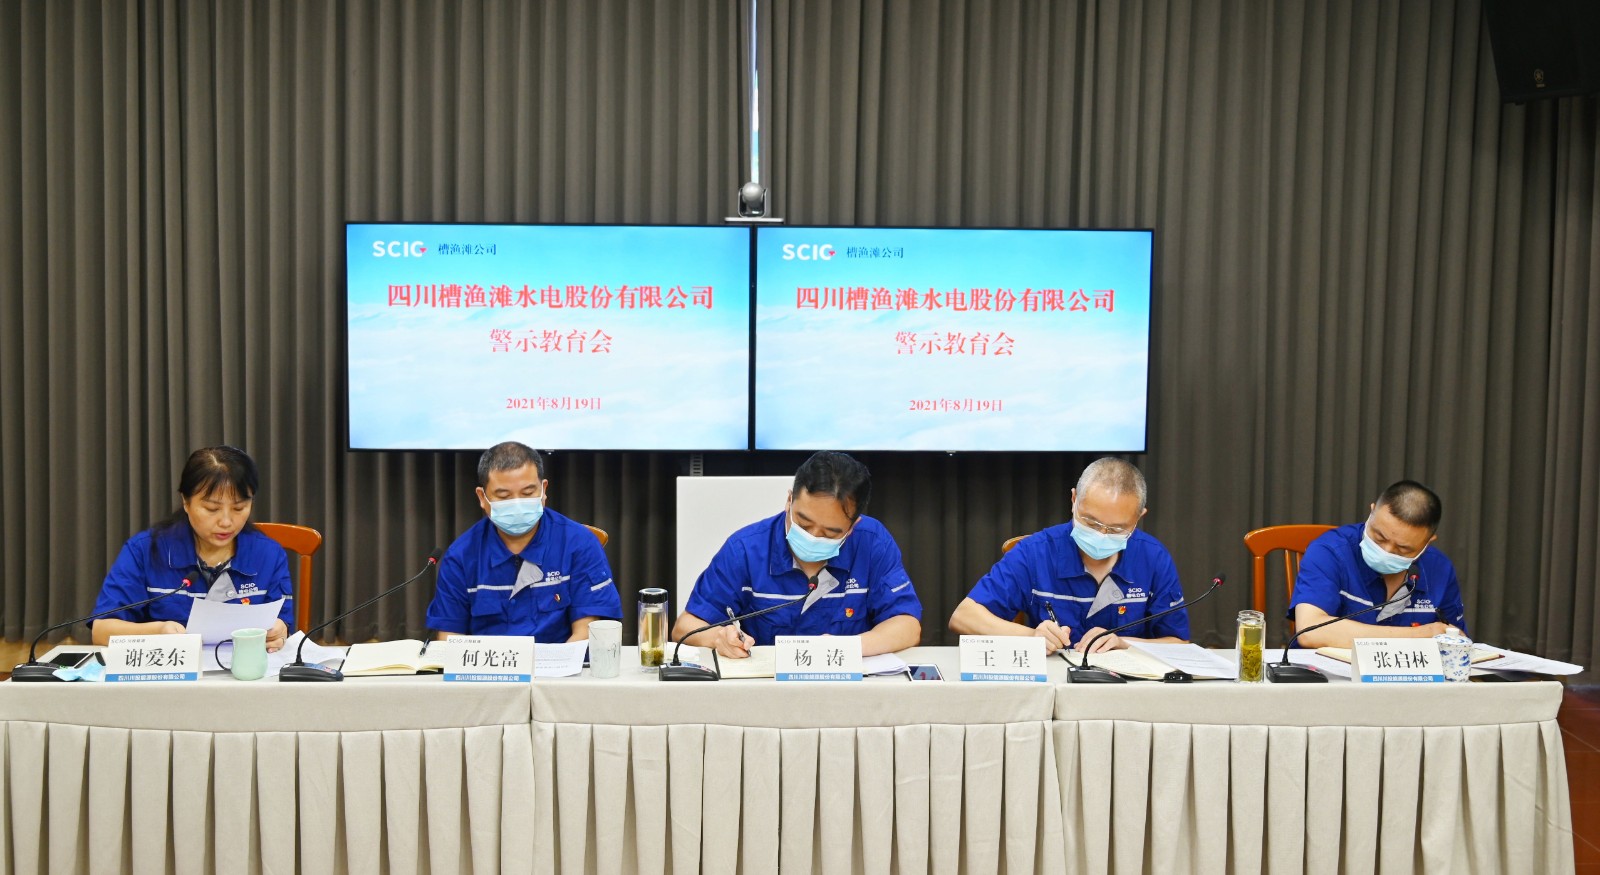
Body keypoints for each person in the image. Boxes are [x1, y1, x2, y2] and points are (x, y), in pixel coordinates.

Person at [672, 451, 922, 658]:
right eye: (803, 523)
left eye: (830, 532)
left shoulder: (872, 542)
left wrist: (847, 648)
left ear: (852, 526)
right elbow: (684, 627)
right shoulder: (746, 549)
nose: (813, 537)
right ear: (789, 500)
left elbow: (907, 625)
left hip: (849, 690)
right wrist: (719, 638)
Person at [949, 457, 1188, 654]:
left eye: (1116, 529)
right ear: (1074, 500)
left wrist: (1124, 643)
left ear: (1139, 517)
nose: (1102, 535)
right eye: (1091, 522)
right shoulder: (1036, 552)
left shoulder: (1153, 558)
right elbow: (963, 617)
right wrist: (1032, 636)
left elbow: (1179, 643)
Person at [92, 446, 295, 651]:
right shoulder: (144, 551)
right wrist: (158, 632)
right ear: (186, 502)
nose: (226, 522)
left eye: (238, 508)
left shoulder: (269, 555)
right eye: (212, 509)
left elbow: (283, 624)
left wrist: (279, 632)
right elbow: (101, 631)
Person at [426, 441, 621, 641]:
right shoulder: (461, 556)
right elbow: (449, 638)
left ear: (543, 490)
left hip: (561, 660)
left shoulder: (579, 543)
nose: (517, 504)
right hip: (489, 661)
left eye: (528, 493)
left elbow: (586, 633)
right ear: (482, 497)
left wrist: (555, 661)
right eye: (504, 496)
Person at [1289, 480, 1464, 648]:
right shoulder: (1330, 551)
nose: (1386, 551)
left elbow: (1456, 640)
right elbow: (1309, 632)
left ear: (1427, 542)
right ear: (1372, 512)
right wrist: (1419, 635)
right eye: (1379, 537)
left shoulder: (1440, 568)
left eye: (1403, 548)